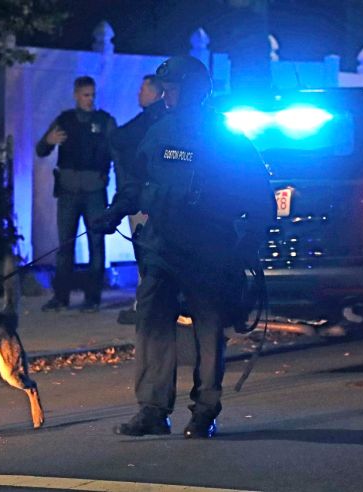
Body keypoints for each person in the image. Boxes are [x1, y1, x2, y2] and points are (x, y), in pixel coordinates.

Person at [92, 56, 275, 438]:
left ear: (192, 90)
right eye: (164, 88)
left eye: (172, 88)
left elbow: (260, 198)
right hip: (160, 248)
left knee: (208, 331)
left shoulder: (225, 138)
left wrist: (244, 248)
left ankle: (204, 410)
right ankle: (153, 410)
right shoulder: (159, 131)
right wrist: (113, 211)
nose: (166, 95)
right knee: (151, 324)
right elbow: (137, 182)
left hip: (207, 252)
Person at [36, 76, 117, 313]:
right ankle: (61, 297)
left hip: (94, 191)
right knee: (65, 246)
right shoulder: (65, 120)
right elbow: (41, 149)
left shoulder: (105, 121)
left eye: (93, 95)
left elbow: (117, 151)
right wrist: (48, 141)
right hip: (69, 191)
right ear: (76, 95)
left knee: (96, 244)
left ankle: (93, 298)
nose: (90, 100)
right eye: (85, 95)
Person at [109, 74, 166, 325]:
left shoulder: (151, 120)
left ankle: (146, 305)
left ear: (156, 92)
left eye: (143, 88)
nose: (138, 93)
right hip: (148, 196)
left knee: (146, 253)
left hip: (145, 198)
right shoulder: (155, 118)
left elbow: (120, 139)